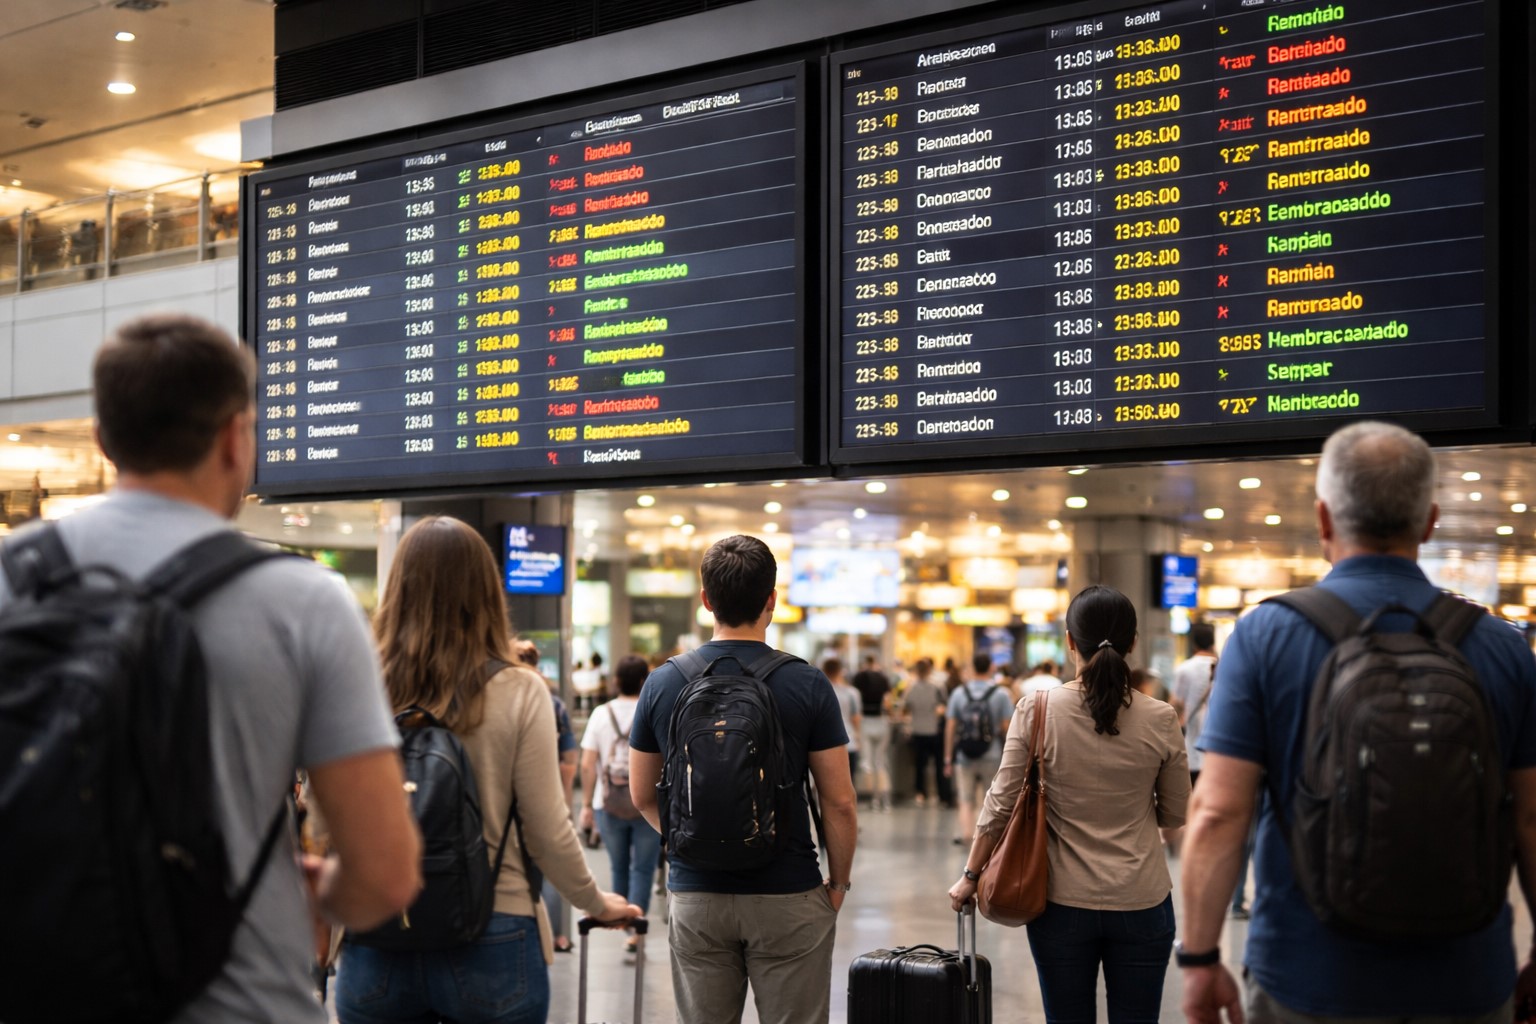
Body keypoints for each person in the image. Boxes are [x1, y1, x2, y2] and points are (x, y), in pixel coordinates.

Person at [0, 314, 423, 1023]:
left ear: (105, 440)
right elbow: (384, 874)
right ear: (235, 437)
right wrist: (319, 892)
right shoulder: (304, 602)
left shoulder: (12, 580)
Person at [1180, 421, 1536, 1023]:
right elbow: (1530, 817)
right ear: (1429, 521)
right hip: (1468, 981)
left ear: (1323, 519)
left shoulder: (1264, 635)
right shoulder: (1502, 647)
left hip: (1307, 979)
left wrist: (1199, 959)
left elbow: (1218, 814)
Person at [336, 516, 641, 1023]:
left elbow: (324, 827)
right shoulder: (520, 691)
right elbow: (547, 828)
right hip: (495, 931)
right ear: (487, 592)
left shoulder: (356, 685)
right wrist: (595, 902)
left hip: (379, 930)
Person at [629, 535, 858, 1024]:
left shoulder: (663, 681)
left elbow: (642, 794)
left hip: (696, 895)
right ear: (772, 600)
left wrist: (689, 840)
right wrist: (837, 885)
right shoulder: (807, 682)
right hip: (788, 892)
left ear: (706, 600)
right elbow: (839, 802)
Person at [949, 585, 1189, 1022]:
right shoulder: (1161, 718)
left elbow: (1000, 803)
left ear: (1069, 641)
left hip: (1060, 904)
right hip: (1142, 900)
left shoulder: (1036, 709)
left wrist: (970, 876)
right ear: (1132, 643)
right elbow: (1175, 813)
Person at [579, 653, 661, 953]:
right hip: (648, 801)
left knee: (619, 866)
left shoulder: (601, 714)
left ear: (616, 681)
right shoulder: (652, 708)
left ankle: (622, 916)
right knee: (643, 867)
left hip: (607, 802)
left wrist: (587, 803)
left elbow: (588, 764)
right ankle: (636, 929)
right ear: (644, 680)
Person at [515, 637, 580, 953]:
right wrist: (565, 802)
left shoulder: (499, 697)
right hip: (547, 795)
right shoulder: (552, 703)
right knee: (550, 865)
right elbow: (569, 760)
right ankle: (556, 935)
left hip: (508, 807)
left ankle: (523, 932)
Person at [944, 653, 1015, 845]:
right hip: (991, 753)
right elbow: (1007, 727)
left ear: (973, 668)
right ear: (991, 667)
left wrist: (948, 756)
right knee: (989, 797)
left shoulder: (959, 693)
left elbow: (951, 726)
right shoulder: (1000, 694)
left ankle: (966, 833)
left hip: (964, 754)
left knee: (965, 797)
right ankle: (983, 837)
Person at [1170, 621, 1219, 788]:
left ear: (1194, 643)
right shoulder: (1223, 667)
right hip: (1218, 749)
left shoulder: (1184, 669)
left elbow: (1175, 705)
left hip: (1191, 748)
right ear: (1213, 642)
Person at [904, 657, 952, 806]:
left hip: (918, 729)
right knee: (938, 764)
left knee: (920, 765)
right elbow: (944, 706)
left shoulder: (911, 687)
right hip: (934, 729)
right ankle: (942, 795)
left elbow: (906, 707)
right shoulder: (937, 685)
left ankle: (920, 793)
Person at [852, 654, 894, 810]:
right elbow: (887, 702)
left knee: (866, 762)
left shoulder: (859, 677)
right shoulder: (883, 678)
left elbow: (856, 705)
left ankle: (865, 797)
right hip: (881, 721)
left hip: (865, 722)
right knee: (880, 762)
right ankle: (882, 798)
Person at [825, 656, 863, 783]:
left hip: (825, 744)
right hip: (849, 741)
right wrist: (858, 738)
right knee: (849, 782)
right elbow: (856, 718)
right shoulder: (851, 693)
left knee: (828, 783)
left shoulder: (818, 691)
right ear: (840, 671)